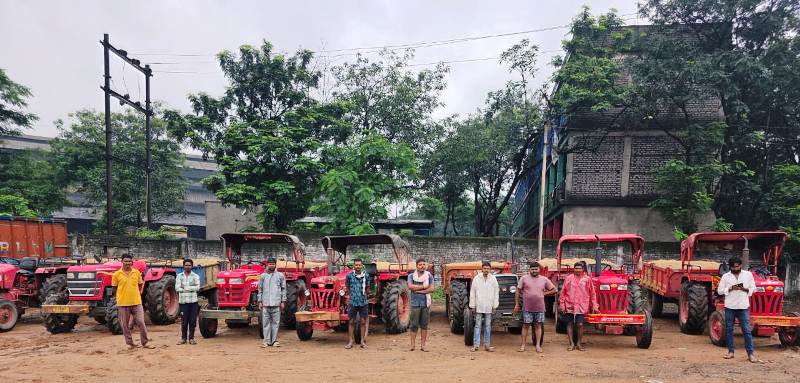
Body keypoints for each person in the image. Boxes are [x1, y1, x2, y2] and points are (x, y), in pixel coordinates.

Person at [717, 256, 758, 362]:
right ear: (730, 267)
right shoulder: (726, 276)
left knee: (746, 330)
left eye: (738, 266)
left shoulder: (748, 275)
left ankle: (750, 354)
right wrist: (730, 288)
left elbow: (754, 288)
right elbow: (720, 291)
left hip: (743, 306)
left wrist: (744, 289)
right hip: (730, 306)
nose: (736, 268)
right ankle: (730, 352)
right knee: (729, 330)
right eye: (734, 267)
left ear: (740, 265)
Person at [111, 254, 154, 350]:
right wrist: (121, 297)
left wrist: (134, 294)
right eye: (125, 261)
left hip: (136, 302)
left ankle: (145, 342)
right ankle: (130, 343)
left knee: (141, 322)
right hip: (123, 303)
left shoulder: (137, 273)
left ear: (132, 262)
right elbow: (114, 289)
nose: (127, 263)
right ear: (122, 262)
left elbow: (139, 285)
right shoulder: (116, 275)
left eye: (129, 261)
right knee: (125, 325)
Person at [514, 261, 555, 353]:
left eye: (536, 269)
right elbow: (518, 291)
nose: (534, 271)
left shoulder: (544, 279)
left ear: (539, 270)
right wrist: (517, 304)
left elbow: (554, 290)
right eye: (532, 269)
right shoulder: (524, 279)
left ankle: (537, 345)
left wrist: (544, 293)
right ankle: (523, 345)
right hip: (527, 307)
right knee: (525, 326)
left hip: (540, 308)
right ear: (529, 270)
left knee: (538, 326)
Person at [558, 262, 598, 351]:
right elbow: (563, 292)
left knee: (580, 324)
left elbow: (592, 293)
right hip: (569, 304)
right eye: (576, 268)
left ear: (583, 269)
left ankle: (579, 344)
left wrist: (594, 305)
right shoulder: (569, 278)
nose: (578, 270)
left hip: (581, 305)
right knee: (569, 324)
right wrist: (562, 305)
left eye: (580, 268)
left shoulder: (587, 279)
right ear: (574, 269)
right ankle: (571, 344)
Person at [469, 261, 499, 352]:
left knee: (487, 326)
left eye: (488, 268)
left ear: (490, 269)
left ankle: (487, 345)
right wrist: (473, 305)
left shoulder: (493, 279)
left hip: (489, 306)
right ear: (482, 269)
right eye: (484, 268)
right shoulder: (476, 278)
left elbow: (496, 293)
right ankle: (476, 345)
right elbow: (472, 293)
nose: (486, 270)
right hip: (479, 305)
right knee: (477, 325)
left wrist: (494, 306)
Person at [258, 257, 286, 348]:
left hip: (276, 303)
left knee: (275, 323)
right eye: (270, 264)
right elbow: (260, 290)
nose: (271, 265)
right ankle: (266, 341)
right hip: (265, 303)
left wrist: (283, 301)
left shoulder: (280, 276)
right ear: (267, 265)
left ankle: (274, 341)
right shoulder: (263, 276)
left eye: (273, 264)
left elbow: (283, 289)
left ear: (275, 265)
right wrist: (260, 301)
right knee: (265, 323)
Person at [408, 257, 434, 352]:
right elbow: (410, 286)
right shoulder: (411, 276)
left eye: (423, 264)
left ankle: (423, 345)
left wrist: (420, 292)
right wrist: (423, 287)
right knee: (413, 325)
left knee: (424, 325)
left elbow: (431, 289)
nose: (422, 266)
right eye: (420, 265)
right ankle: (412, 345)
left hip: (425, 303)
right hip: (415, 304)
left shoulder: (429, 276)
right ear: (416, 266)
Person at [345, 258, 369, 349]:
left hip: (363, 302)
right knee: (351, 322)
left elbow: (367, 287)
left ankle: (362, 341)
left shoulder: (366, 275)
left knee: (363, 322)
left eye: (359, 265)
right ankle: (351, 341)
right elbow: (347, 286)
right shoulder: (349, 276)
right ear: (354, 266)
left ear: (362, 266)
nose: (358, 266)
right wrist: (352, 295)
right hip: (352, 302)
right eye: (356, 265)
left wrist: (364, 296)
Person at [175, 258, 200, 345]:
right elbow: (177, 288)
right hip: (183, 302)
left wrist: (184, 287)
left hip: (193, 302)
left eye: (189, 265)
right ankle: (183, 338)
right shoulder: (179, 276)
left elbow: (197, 288)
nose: (188, 267)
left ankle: (191, 338)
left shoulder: (195, 276)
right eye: (186, 265)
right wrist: (190, 287)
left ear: (192, 266)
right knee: (184, 321)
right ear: (183, 266)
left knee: (192, 321)